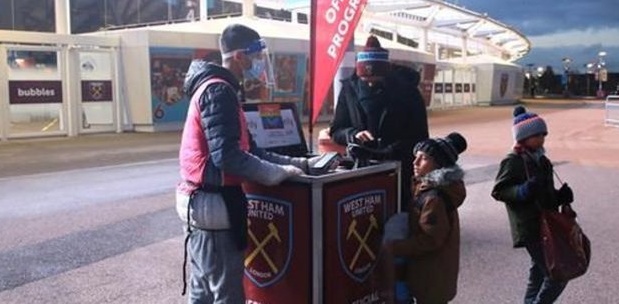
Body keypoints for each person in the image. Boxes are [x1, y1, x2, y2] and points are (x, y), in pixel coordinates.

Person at [176, 24, 319, 304]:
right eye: (255, 56)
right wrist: (275, 173)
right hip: (212, 204)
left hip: (203, 202)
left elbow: (250, 150)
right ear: (239, 56)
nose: (259, 63)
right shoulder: (219, 91)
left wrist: (301, 164)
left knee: (204, 290)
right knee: (225, 293)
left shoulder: (220, 88)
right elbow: (227, 157)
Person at [329, 35, 429, 210]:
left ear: (386, 74)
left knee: (397, 213)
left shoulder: (408, 92)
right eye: (365, 80)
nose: (369, 83)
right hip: (361, 170)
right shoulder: (349, 90)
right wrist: (353, 135)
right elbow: (336, 130)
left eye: (375, 79)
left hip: (399, 170)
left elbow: (420, 137)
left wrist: (388, 151)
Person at [491, 106, 574, 304]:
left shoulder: (543, 161)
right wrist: (522, 190)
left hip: (547, 225)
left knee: (539, 272)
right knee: (557, 274)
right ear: (522, 137)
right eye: (536, 135)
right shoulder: (513, 161)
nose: (541, 139)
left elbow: (545, 195)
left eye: (543, 135)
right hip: (529, 226)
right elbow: (499, 190)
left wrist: (560, 196)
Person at [387, 132, 467, 304]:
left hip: (431, 275)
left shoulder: (433, 198)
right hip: (432, 272)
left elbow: (430, 240)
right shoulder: (427, 187)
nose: (415, 162)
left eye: (423, 158)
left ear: (439, 164)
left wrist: (392, 247)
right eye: (416, 157)